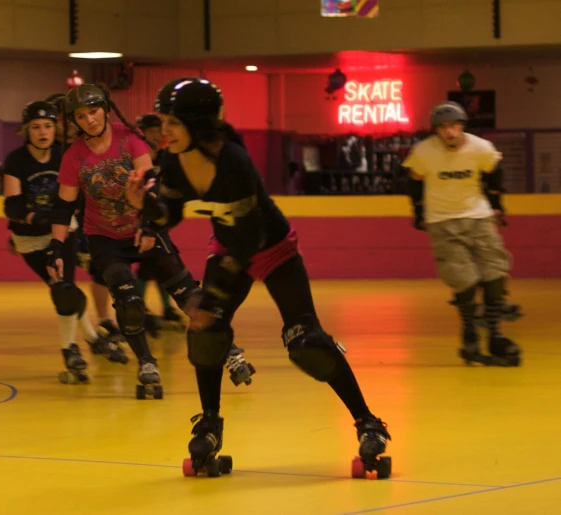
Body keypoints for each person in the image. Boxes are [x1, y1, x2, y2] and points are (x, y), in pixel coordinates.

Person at [127, 77, 390, 477]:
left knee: (307, 343)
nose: (164, 132)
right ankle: (210, 423)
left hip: (271, 247)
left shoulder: (233, 160)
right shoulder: (175, 159)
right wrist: (144, 205)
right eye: (163, 123)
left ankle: (368, 421)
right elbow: (171, 213)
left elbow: (249, 240)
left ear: (198, 125)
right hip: (229, 245)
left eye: (172, 123)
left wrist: (210, 296)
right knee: (205, 333)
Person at [45, 83, 202, 399]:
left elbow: (150, 185)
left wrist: (149, 226)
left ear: (105, 108)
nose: (90, 120)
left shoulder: (128, 136)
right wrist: (56, 249)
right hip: (104, 239)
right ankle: (146, 362)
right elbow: (63, 208)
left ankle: (227, 346)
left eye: (94, 111)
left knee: (187, 292)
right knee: (129, 302)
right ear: (74, 122)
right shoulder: (74, 156)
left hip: (143, 229)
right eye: (81, 116)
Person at [2, 100, 127, 382]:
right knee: (66, 290)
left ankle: (70, 349)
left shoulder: (65, 155)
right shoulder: (15, 160)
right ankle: (94, 339)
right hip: (30, 239)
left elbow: (79, 198)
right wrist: (35, 219)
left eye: (47, 126)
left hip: (63, 231)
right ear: (27, 131)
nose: (42, 132)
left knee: (64, 289)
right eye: (35, 127)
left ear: (55, 128)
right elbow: (12, 206)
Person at [403, 101, 522, 367]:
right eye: (444, 127)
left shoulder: (481, 148)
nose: (450, 132)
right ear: (436, 130)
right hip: (442, 222)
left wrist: (496, 203)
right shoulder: (423, 152)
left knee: (495, 274)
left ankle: (495, 335)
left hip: (478, 218)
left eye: (455, 126)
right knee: (463, 279)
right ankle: (469, 332)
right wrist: (418, 211)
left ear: (462, 127)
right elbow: (413, 181)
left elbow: (494, 172)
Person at [47, 92, 125, 343]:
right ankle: (88, 335)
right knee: (71, 281)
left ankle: (102, 323)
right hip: (63, 219)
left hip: (87, 215)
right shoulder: (51, 151)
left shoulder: (85, 144)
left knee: (102, 269)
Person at [134, 114, 186, 332]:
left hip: (158, 219)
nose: (156, 135)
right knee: (153, 264)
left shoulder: (167, 158)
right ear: (142, 134)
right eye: (151, 131)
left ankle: (158, 308)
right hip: (138, 219)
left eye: (158, 131)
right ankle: (143, 309)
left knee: (158, 264)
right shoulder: (136, 158)